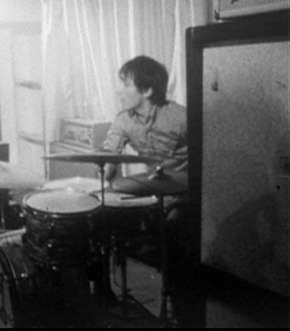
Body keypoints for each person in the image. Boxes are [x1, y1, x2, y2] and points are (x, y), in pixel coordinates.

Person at [96, 55, 190, 319]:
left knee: (175, 228)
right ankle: (104, 290)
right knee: (98, 210)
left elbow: (210, 154)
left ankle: (179, 307)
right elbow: (109, 151)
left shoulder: (182, 118)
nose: (119, 91)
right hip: (153, 186)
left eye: (125, 85)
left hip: (184, 193)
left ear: (147, 90)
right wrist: (106, 166)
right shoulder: (124, 119)